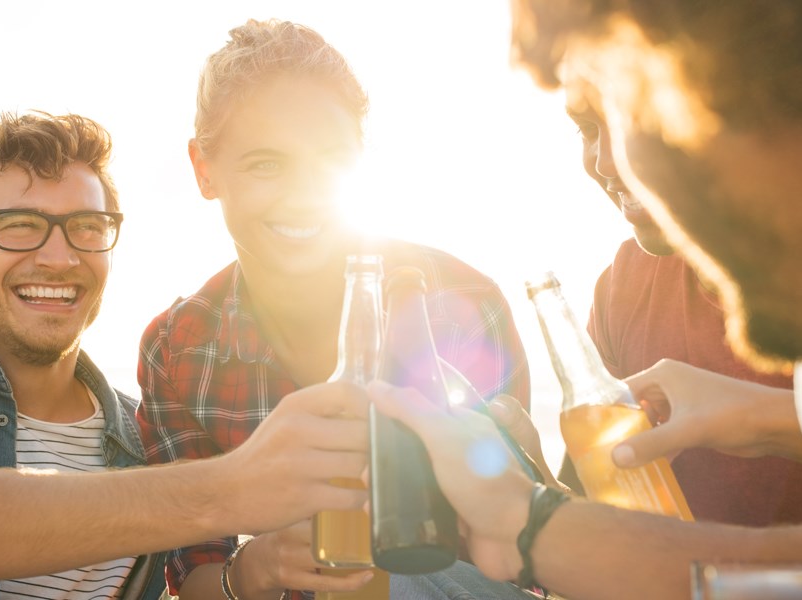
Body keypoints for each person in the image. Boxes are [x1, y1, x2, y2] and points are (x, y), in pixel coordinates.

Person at [367, 1, 802, 598]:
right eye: (586, 126)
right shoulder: (635, 288)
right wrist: (534, 500)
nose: (613, 163)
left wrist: (535, 531)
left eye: (643, 108)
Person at [134, 19, 531, 600]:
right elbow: (193, 575)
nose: (303, 193)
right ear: (203, 170)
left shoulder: (462, 304)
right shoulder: (181, 348)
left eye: (331, 158)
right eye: (265, 163)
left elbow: (526, 558)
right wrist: (258, 567)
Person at [0, 112, 369, 598]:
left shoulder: (143, 435)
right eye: (20, 225)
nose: (59, 257)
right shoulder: (187, 483)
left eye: (87, 226)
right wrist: (230, 487)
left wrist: (257, 568)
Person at [561, 98, 802, 526]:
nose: (606, 164)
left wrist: (762, 419)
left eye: (632, 123)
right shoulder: (622, 286)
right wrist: (526, 478)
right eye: (588, 130)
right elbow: (597, 511)